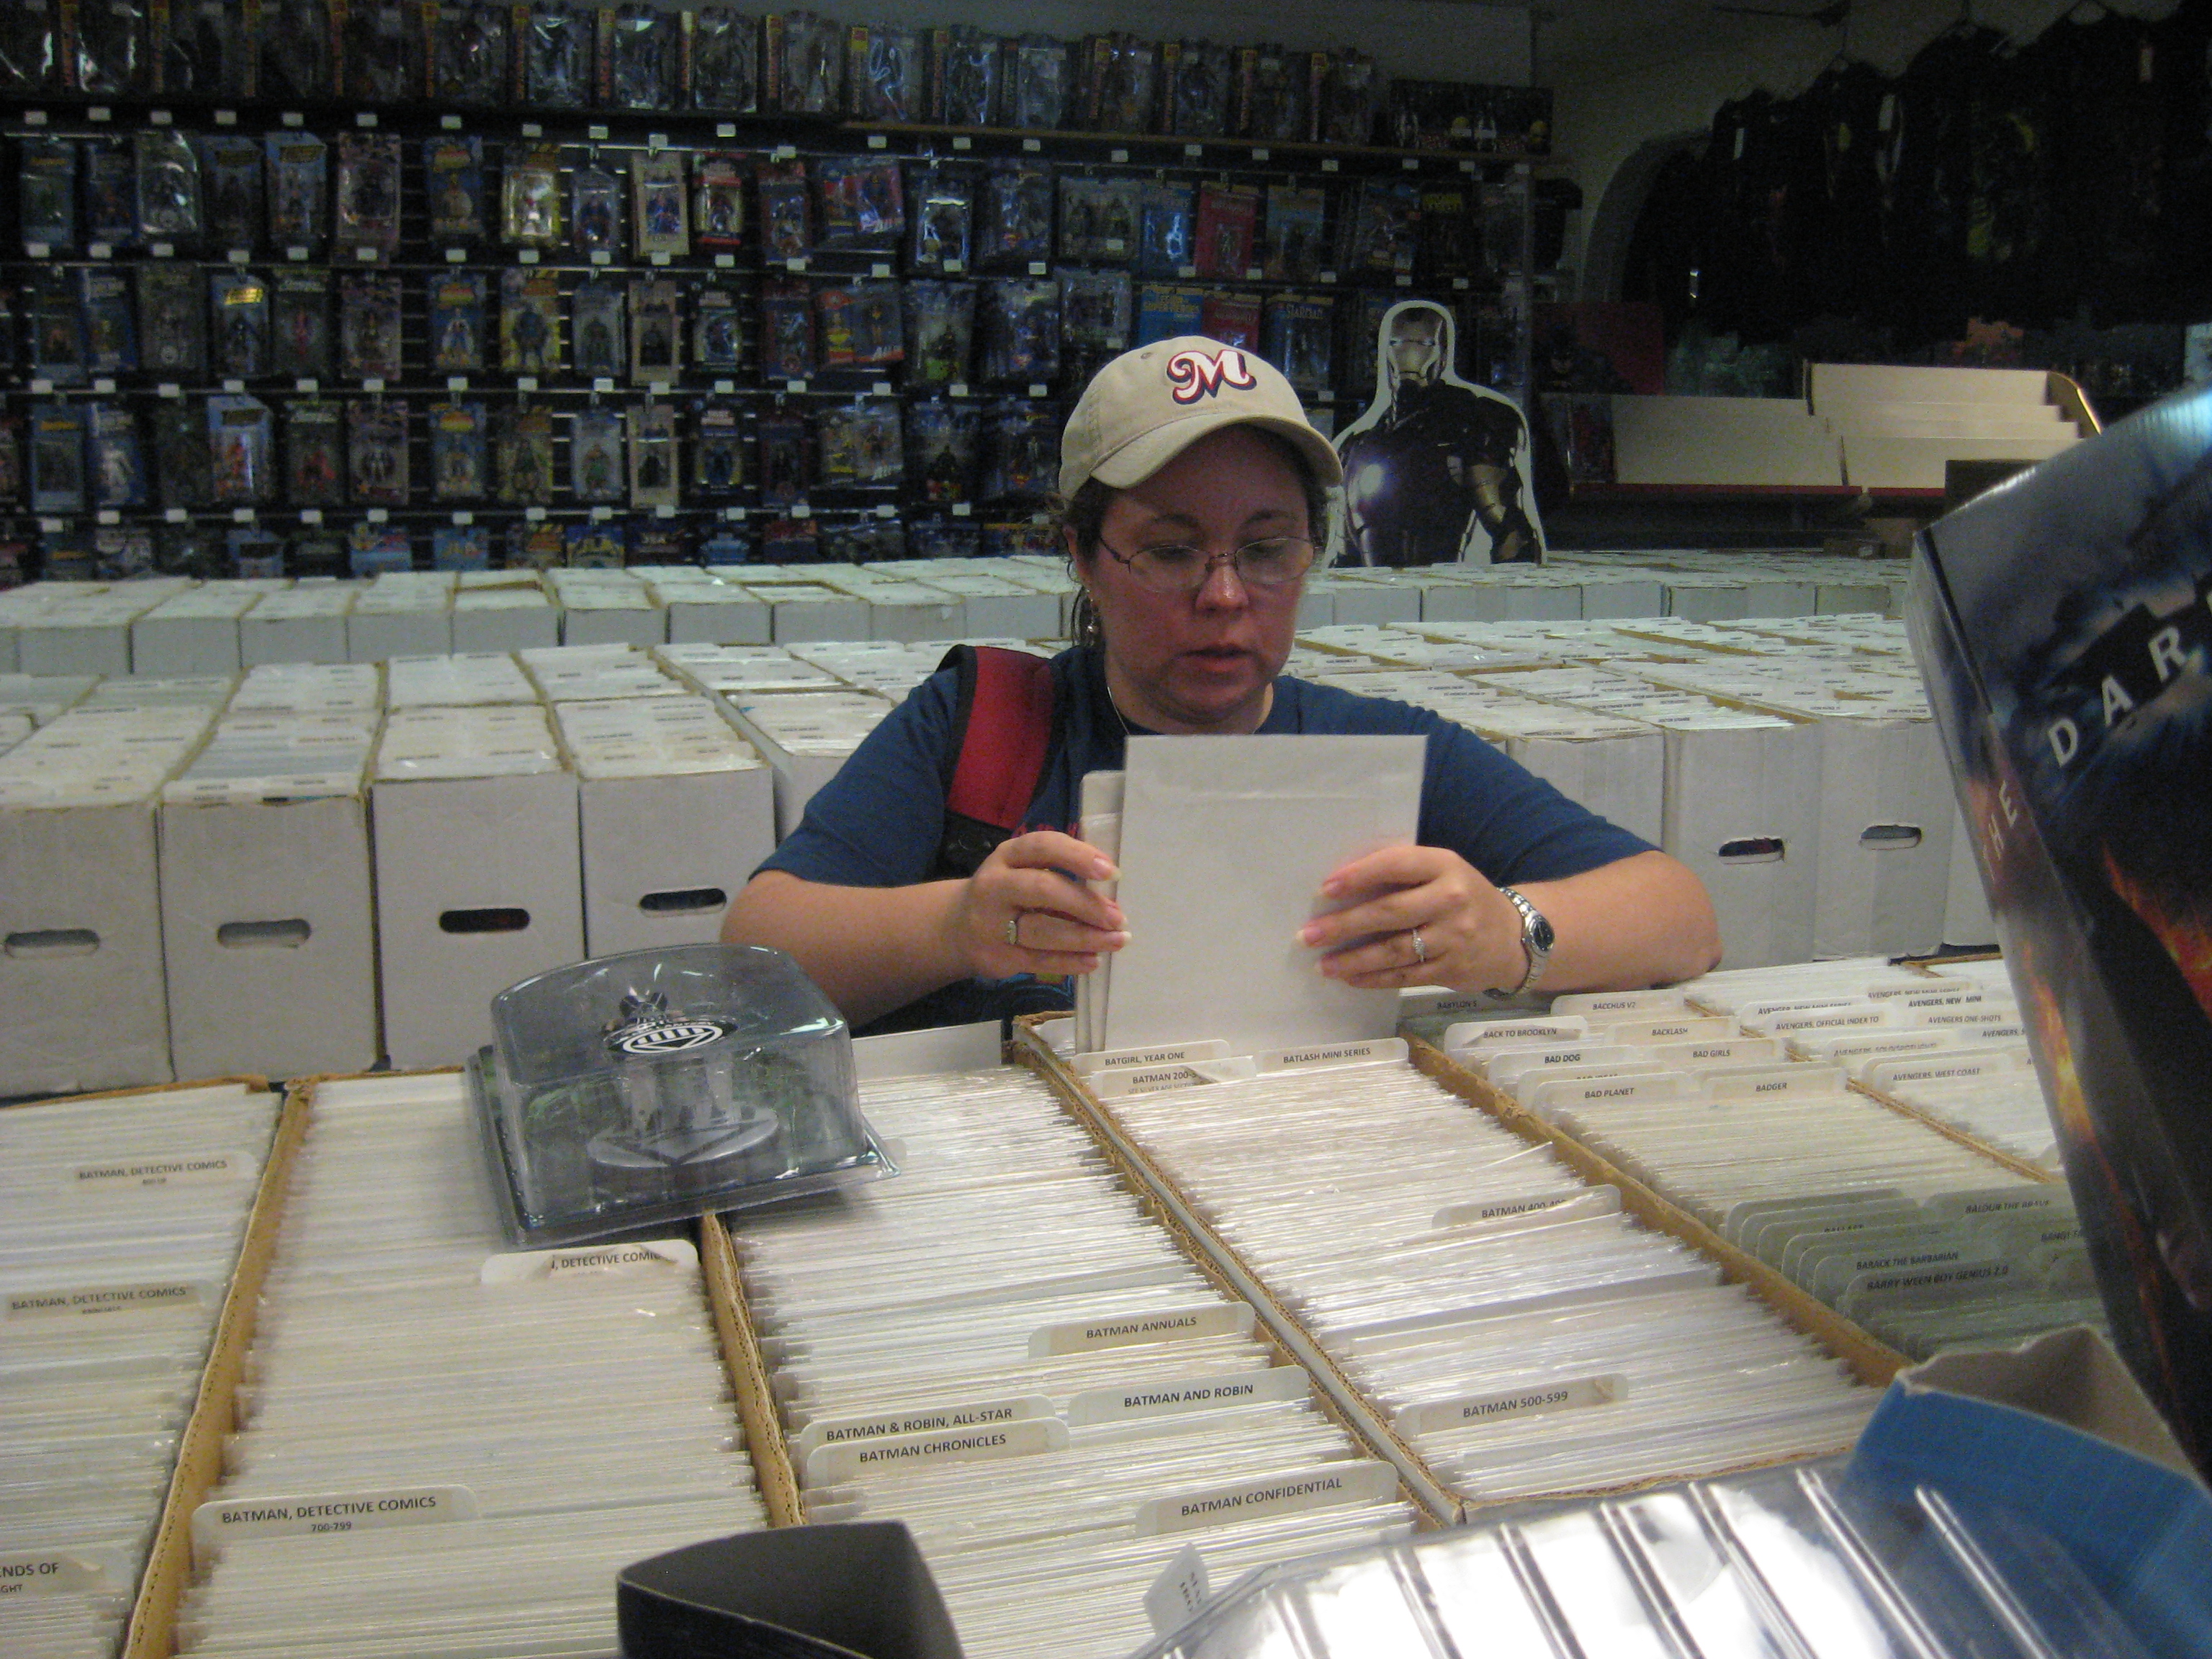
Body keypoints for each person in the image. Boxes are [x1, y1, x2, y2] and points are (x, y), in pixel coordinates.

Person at [721, 336, 1719, 1031]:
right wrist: (957, 925)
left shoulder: (1381, 753)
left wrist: (1509, 933)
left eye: (1268, 548)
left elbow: (1679, 915)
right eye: (1171, 550)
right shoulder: (980, 725)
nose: (1226, 596)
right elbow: (756, 955)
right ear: (1084, 556)